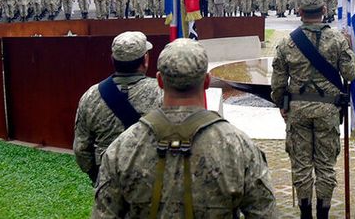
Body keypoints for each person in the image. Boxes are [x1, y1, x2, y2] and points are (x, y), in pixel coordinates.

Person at [93, 38, 276, 218]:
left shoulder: (121, 148)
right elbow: (264, 212)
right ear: (206, 82)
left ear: (160, 81)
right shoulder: (238, 147)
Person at [271, 0, 355, 219]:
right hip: (328, 111)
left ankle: (305, 213)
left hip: (297, 111)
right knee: (325, 165)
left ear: (299, 12)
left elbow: (278, 83)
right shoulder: (338, 40)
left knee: (301, 164)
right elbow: (350, 73)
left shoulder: (287, 42)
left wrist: (281, 104)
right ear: (324, 11)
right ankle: (323, 213)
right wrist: (350, 50)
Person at [74, 32, 162, 185]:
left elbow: (81, 149)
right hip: (149, 180)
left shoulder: (90, 96)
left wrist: (97, 177)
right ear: (145, 60)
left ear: (112, 60)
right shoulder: (161, 92)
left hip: (108, 178)